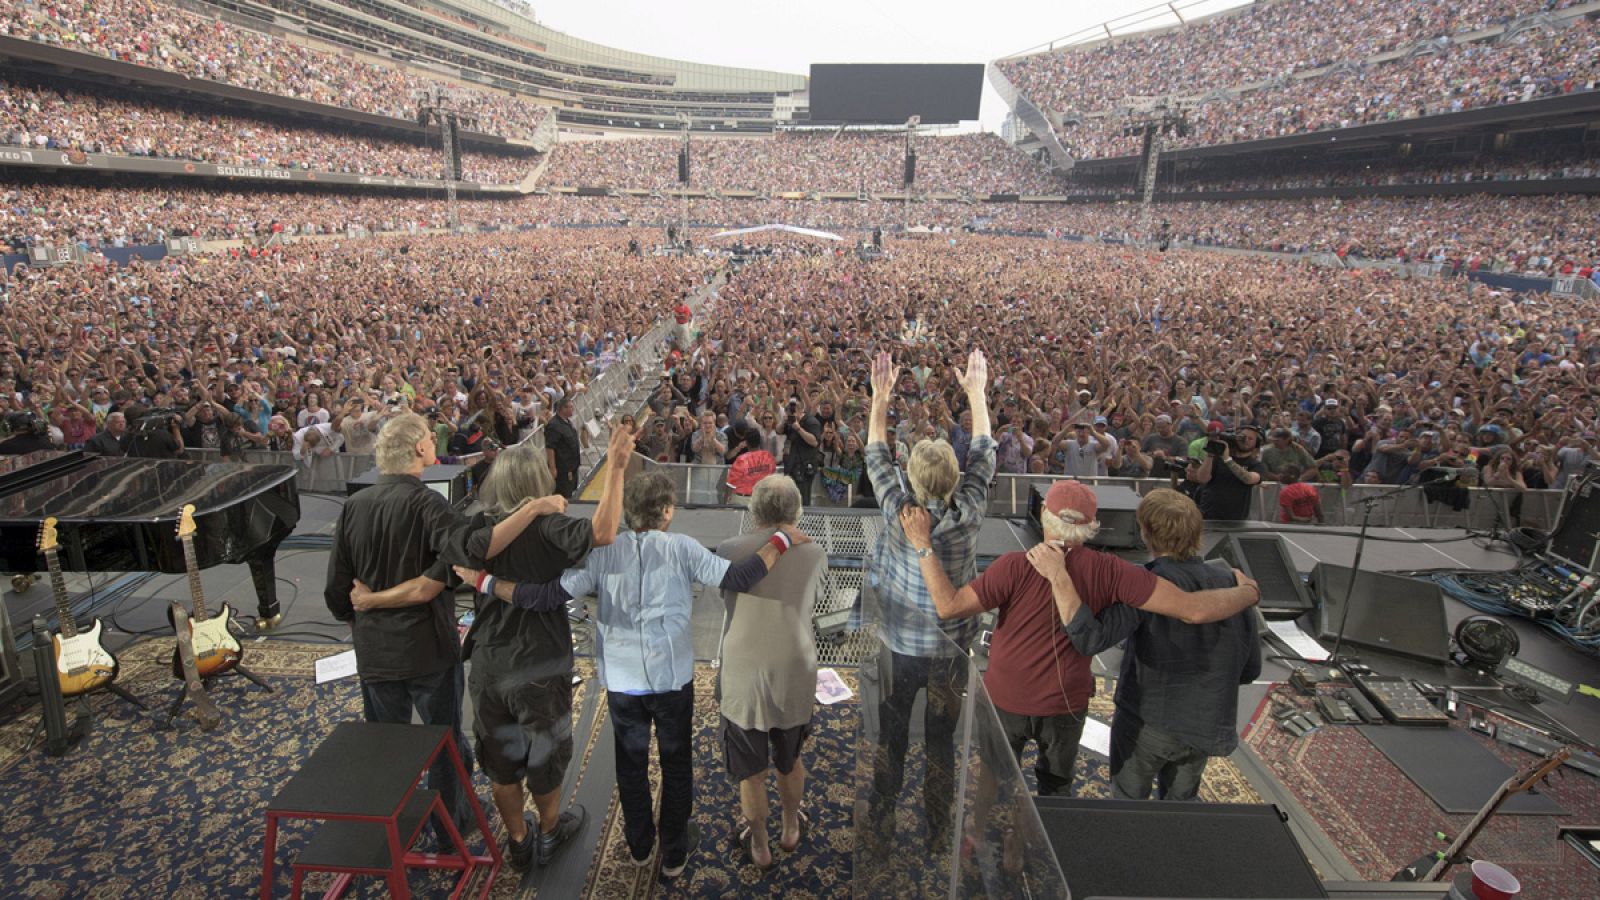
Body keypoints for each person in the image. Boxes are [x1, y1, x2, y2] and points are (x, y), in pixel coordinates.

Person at [467, 471, 810, 880]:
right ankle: (675, 853)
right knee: (676, 763)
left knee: (630, 766)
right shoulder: (683, 548)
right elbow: (742, 576)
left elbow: (544, 597)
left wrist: (484, 581)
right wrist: (784, 538)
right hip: (671, 682)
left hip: (624, 684)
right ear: (667, 511)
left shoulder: (604, 553)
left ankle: (640, 847)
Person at [362, 427, 630, 868]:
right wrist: (617, 468)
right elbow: (603, 532)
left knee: (500, 761)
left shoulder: (475, 532)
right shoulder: (549, 526)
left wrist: (370, 599)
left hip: (488, 664)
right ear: (536, 484)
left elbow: (429, 585)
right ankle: (548, 831)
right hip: (540, 666)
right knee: (544, 756)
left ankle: (518, 840)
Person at [900, 481, 1262, 799]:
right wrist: (1247, 593)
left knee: (994, 777)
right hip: (1067, 706)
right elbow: (1194, 612)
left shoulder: (1013, 565)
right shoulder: (1117, 572)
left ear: (1043, 514)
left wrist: (921, 543)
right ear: (1093, 525)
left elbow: (948, 606)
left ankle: (980, 839)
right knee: (1058, 785)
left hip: (1009, 700)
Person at [326, 412, 555, 838]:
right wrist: (533, 510)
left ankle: (393, 830)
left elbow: (337, 593)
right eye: (431, 437)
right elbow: (470, 551)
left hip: (374, 652)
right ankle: (451, 829)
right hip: (426, 650)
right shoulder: (427, 502)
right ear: (419, 449)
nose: (436, 440)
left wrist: (366, 612)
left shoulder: (353, 506)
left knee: (389, 747)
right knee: (442, 745)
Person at [862, 348, 994, 857]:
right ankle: (938, 827)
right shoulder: (972, 510)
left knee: (892, 736)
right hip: (952, 653)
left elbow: (875, 454)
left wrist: (881, 397)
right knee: (941, 742)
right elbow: (984, 449)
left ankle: (881, 816)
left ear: (911, 479)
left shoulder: (899, 512)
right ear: (956, 478)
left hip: (899, 648)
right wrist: (976, 394)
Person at [1055, 489, 1262, 801]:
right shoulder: (1235, 584)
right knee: (1179, 813)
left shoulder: (1146, 583)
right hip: (1206, 723)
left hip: (1148, 722)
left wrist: (1059, 579)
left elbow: (1091, 639)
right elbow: (1250, 669)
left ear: (1146, 533)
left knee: (1128, 803)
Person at [715, 475, 826, 869]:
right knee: (790, 759)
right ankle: (791, 826)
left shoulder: (728, 550)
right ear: (796, 509)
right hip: (794, 668)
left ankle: (760, 844)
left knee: (752, 773)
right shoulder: (815, 552)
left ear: (754, 509)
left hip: (744, 674)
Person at [1190, 426, 1265, 521]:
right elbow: (1202, 478)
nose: (1245, 440)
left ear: (1256, 444)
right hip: (1208, 514)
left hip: (1235, 518)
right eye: (1243, 436)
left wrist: (1228, 460)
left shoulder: (1256, 465)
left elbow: (1248, 479)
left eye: (1250, 438)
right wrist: (1210, 454)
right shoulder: (1218, 458)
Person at [545, 398, 581, 499]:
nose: (572, 409)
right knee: (562, 495)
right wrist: (553, 468)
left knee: (571, 493)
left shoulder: (567, 422)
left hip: (572, 466)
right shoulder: (554, 425)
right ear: (562, 408)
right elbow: (550, 447)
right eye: (570, 407)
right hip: (562, 469)